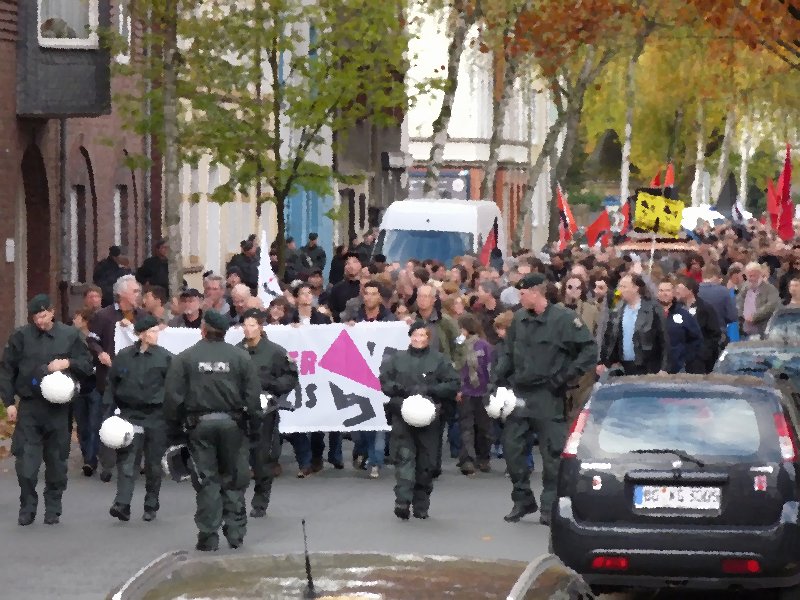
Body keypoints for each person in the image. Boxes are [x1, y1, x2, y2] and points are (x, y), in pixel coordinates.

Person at [491, 274, 596, 525]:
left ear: (536, 292)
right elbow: (508, 353)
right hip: (520, 393)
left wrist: (565, 377)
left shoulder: (563, 319)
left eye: (523, 293)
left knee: (552, 454)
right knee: (513, 449)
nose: (520, 297)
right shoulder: (519, 319)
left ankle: (549, 505)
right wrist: (496, 381)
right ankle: (522, 499)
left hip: (549, 394)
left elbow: (589, 350)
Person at [164, 310, 261, 551]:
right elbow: (253, 397)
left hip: (199, 426)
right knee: (234, 478)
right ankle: (236, 533)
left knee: (207, 480)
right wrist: (254, 428)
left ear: (203, 328)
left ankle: (208, 536)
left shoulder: (186, 358)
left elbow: (173, 398)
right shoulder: (240, 358)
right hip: (233, 425)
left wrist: (175, 430)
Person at [0, 294, 93, 526]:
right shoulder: (21, 336)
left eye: (43, 315)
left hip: (58, 409)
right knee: (26, 463)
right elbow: (7, 370)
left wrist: (67, 363)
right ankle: (27, 507)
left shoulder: (70, 335)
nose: (40, 321)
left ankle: (53, 507)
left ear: (52, 312)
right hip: (30, 407)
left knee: (56, 460)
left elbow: (87, 365)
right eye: (35, 317)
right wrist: (9, 402)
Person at [379, 321, 460, 520]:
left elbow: (452, 383)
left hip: (429, 417)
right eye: (415, 335)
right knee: (404, 457)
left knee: (427, 462)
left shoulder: (439, 360)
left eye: (422, 335)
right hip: (402, 415)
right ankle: (403, 501)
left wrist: (430, 390)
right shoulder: (396, 359)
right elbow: (384, 382)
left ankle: (421, 503)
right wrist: (401, 390)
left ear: (428, 338)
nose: (418, 339)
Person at [103, 316, 173, 522]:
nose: (155, 335)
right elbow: (112, 384)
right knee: (127, 461)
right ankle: (122, 503)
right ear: (141, 334)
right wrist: (108, 412)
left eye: (156, 331)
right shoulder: (124, 357)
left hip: (156, 416)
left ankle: (151, 504)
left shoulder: (166, 358)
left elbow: (174, 388)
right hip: (129, 415)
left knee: (152, 463)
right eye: (151, 331)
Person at [237, 308, 299, 518]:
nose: (248, 329)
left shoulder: (275, 352)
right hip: (241, 412)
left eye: (252, 325)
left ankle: (260, 501)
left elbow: (290, 378)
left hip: (265, 412)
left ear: (261, 327)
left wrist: (270, 386)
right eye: (245, 325)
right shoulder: (237, 352)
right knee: (238, 457)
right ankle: (236, 500)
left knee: (263, 458)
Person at [87, 274, 147, 482]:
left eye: (139, 292)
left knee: (135, 422)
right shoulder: (104, 316)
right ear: (121, 294)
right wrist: (100, 353)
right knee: (108, 422)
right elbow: (92, 340)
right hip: (110, 380)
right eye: (135, 291)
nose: (138, 296)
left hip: (137, 382)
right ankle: (107, 465)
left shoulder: (143, 315)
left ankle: (133, 462)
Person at [599, 274, 669, 376]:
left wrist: (664, 368)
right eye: (619, 286)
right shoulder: (618, 308)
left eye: (624, 287)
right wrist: (605, 361)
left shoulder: (653, 308)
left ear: (636, 288)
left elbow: (665, 339)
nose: (620, 290)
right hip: (624, 366)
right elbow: (611, 337)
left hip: (647, 366)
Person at [454, 313, 493, 476]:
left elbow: (490, 367)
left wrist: (492, 388)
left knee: (484, 428)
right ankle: (467, 460)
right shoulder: (460, 344)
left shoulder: (483, 345)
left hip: (483, 391)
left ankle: (483, 457)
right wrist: (457, 389)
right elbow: (455, 358)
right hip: (466, 391)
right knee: (466, 427)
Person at [71, 308, 102, 476]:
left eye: (76, 317)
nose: (73, 320)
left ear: (84, 320)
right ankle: (86, 456)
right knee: (82, 425)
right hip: (79, 386)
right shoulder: (72, 340)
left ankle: (91, 460)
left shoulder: (95, 339)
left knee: (93, 424)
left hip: (94, 386)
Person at [675, 276, 721, 373]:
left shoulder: (705, 309)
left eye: (679, 288)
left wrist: (703, 353)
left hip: (698, 361)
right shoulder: (676, 309)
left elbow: (714, 334)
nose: (676, 291)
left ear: (690, 290)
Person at [656, 279, 703, 374]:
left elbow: (696, 338)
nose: (664, 293)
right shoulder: (651, 313)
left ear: (673, 293)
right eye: (661, 290)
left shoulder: (684, 314)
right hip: (654, 368)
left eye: (667, 290)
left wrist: (685, 358)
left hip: (678, 369)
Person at [737, 261, 780, 337]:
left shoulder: (770, 289)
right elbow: (739, 303)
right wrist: (743, 316)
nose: (751, 278)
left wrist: (755, 316)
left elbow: (772, 305)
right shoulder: (744, 288)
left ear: (760, 275)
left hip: (763, 329)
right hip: (745, 330)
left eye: (753, 276)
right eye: (749, 276)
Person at [327, 253, 362, 322]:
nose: (351, 265)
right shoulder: (337, 288)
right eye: (347, 263)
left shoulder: (368, 286)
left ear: (361, 265)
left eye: (354, 262)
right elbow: (333, 310)